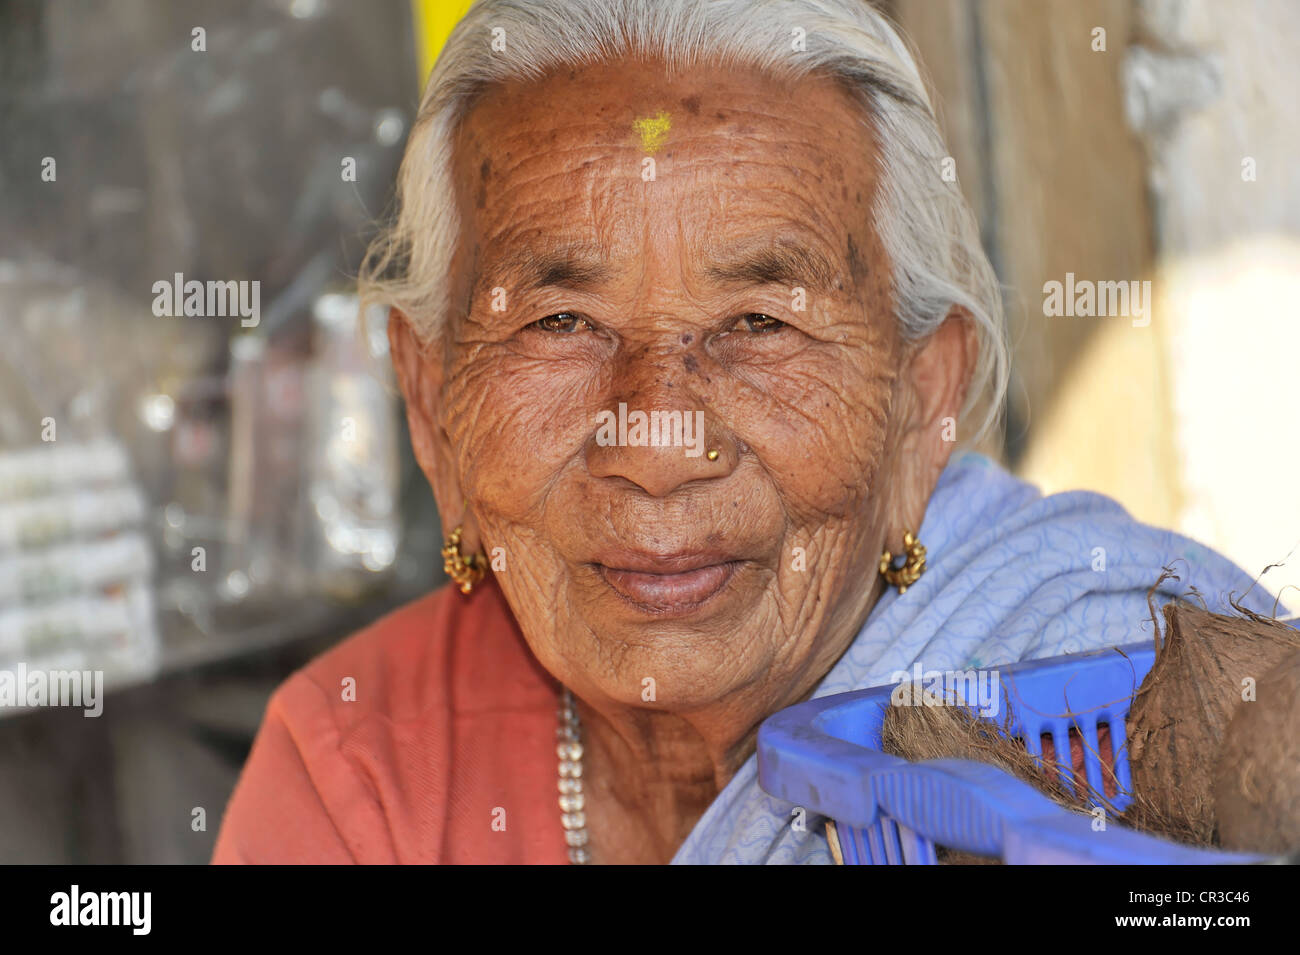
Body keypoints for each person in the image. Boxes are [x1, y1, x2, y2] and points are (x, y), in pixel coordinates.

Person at [212, 0, 1270, 864]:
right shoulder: (355, 773)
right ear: (431, 402)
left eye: (758, 323)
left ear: (918, 408)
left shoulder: (1128, 698)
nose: (659, 443)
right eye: (561, 323)